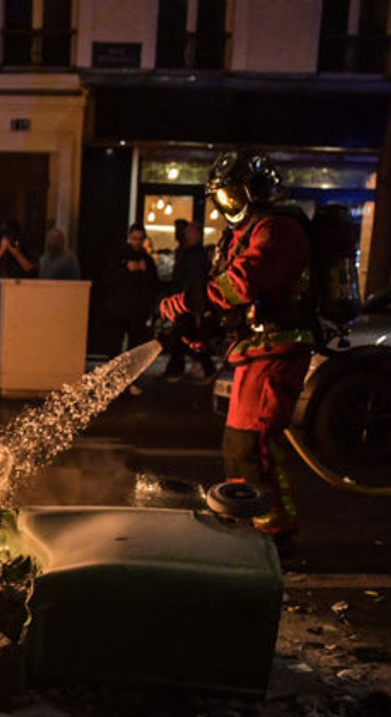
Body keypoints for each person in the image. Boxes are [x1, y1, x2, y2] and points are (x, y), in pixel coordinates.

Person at [158, 150, 313, 547]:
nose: (227, 205)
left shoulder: (278, 229)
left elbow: (241, 283)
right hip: (255, 349)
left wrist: (189, 301)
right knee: (238, 444)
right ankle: (249, 526)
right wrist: (202, 327)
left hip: (277, 350)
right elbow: (232, 296)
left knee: (255, 444)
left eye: (231, 195)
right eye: (222, 197)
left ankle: (274, 535)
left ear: (256, 192)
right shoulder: (244, 233)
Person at [161, 219, 217, 381]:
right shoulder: (190, 253)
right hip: (186, 301)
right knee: (184, 336)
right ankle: (180, 368)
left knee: (184, 335)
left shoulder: (193, 255)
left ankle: (179, 368)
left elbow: (194, 280)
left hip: (188, 302)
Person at [102, 223, 160, 356]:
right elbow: (108, 277)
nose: (137, 242)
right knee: (115, 343)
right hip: (120, 307)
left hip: (136, 309)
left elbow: (153, 283)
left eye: (139, 239)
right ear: (129, 237)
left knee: (134, 344)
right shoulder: (120, 256)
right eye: (135, 239)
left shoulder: (147, 260)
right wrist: (127, 269)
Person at [0, 221, 35, 346]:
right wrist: (2, 249)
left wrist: (16, 254)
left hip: (19, 296)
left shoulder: (23, 248)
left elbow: (30, 268)